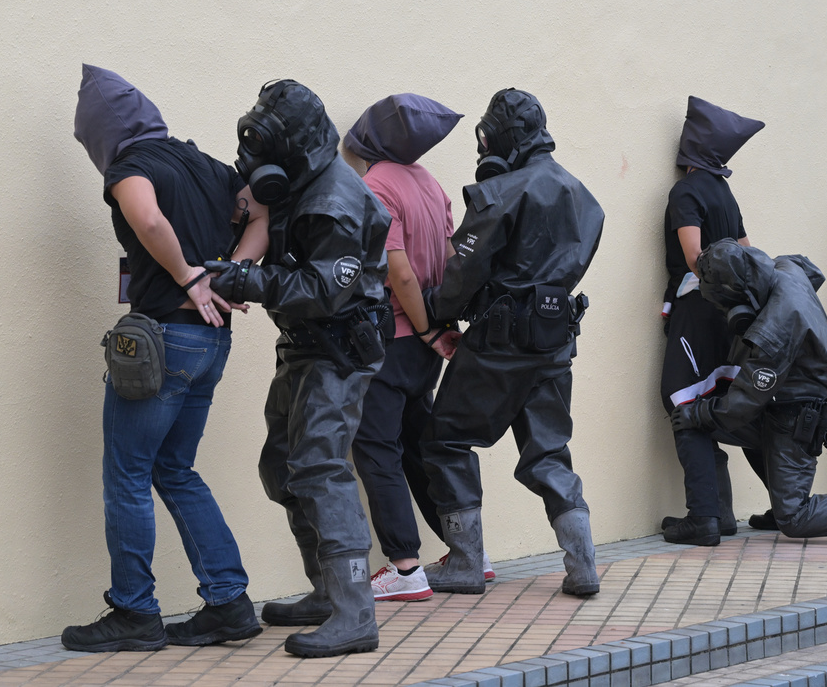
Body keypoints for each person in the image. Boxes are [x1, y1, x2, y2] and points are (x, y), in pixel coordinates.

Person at [63, 65, 267, 652]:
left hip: (161, 344)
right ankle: (229, 602)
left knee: (127, 475)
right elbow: (262, 214)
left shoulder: (131, 167)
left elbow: (148, 217)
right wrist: (229, 276)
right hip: (210, 342)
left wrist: (189, 277)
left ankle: (133, 612)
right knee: (175, 469)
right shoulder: (205, 165)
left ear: (101, 133)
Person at [203, 79, 391, 658]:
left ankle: (355, 613)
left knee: (320, 468)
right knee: (281, 466)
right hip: (304, 347)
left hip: (337, 350)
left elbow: (323, 289)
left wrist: (248, 280)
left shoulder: (334, 201)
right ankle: (326, 591)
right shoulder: (298, 184)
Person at [417, 88, 605, 597]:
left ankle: (465, 563)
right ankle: (584, 567)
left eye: (484, 137)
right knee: (548, 452)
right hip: (554, 339)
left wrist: (430, 311)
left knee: (444, 440)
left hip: (500, 344)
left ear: (500, 138)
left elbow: (462, 273)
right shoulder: (584, 196)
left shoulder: (500, 192)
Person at [670, 240, 827, 548]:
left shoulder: (776, 329)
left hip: (797, 415)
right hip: (784, 403)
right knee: (702, 420)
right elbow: (812, 271)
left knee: (795, 517)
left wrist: (698, 412)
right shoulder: (784, 268)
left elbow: (743, 403)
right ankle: (715, 515)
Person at [340, 93, 462, 602]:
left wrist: (426, 327)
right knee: (419, 447)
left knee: (376, 448)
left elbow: (400, 273)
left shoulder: (375, 186)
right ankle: (466, 550)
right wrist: (438, 326)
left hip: (396, 337)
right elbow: (452, 258)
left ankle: (406, 567)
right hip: (426, 346)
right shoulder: (429, 183)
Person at [658, 96, 765, 546]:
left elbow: (694, 256)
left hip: (698, 309)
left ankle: (703, 516)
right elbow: (748, 253)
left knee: (682, 399)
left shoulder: (686, 191)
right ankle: (726, 512)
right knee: (720, 398)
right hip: (730, 314)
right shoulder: (725, 192)